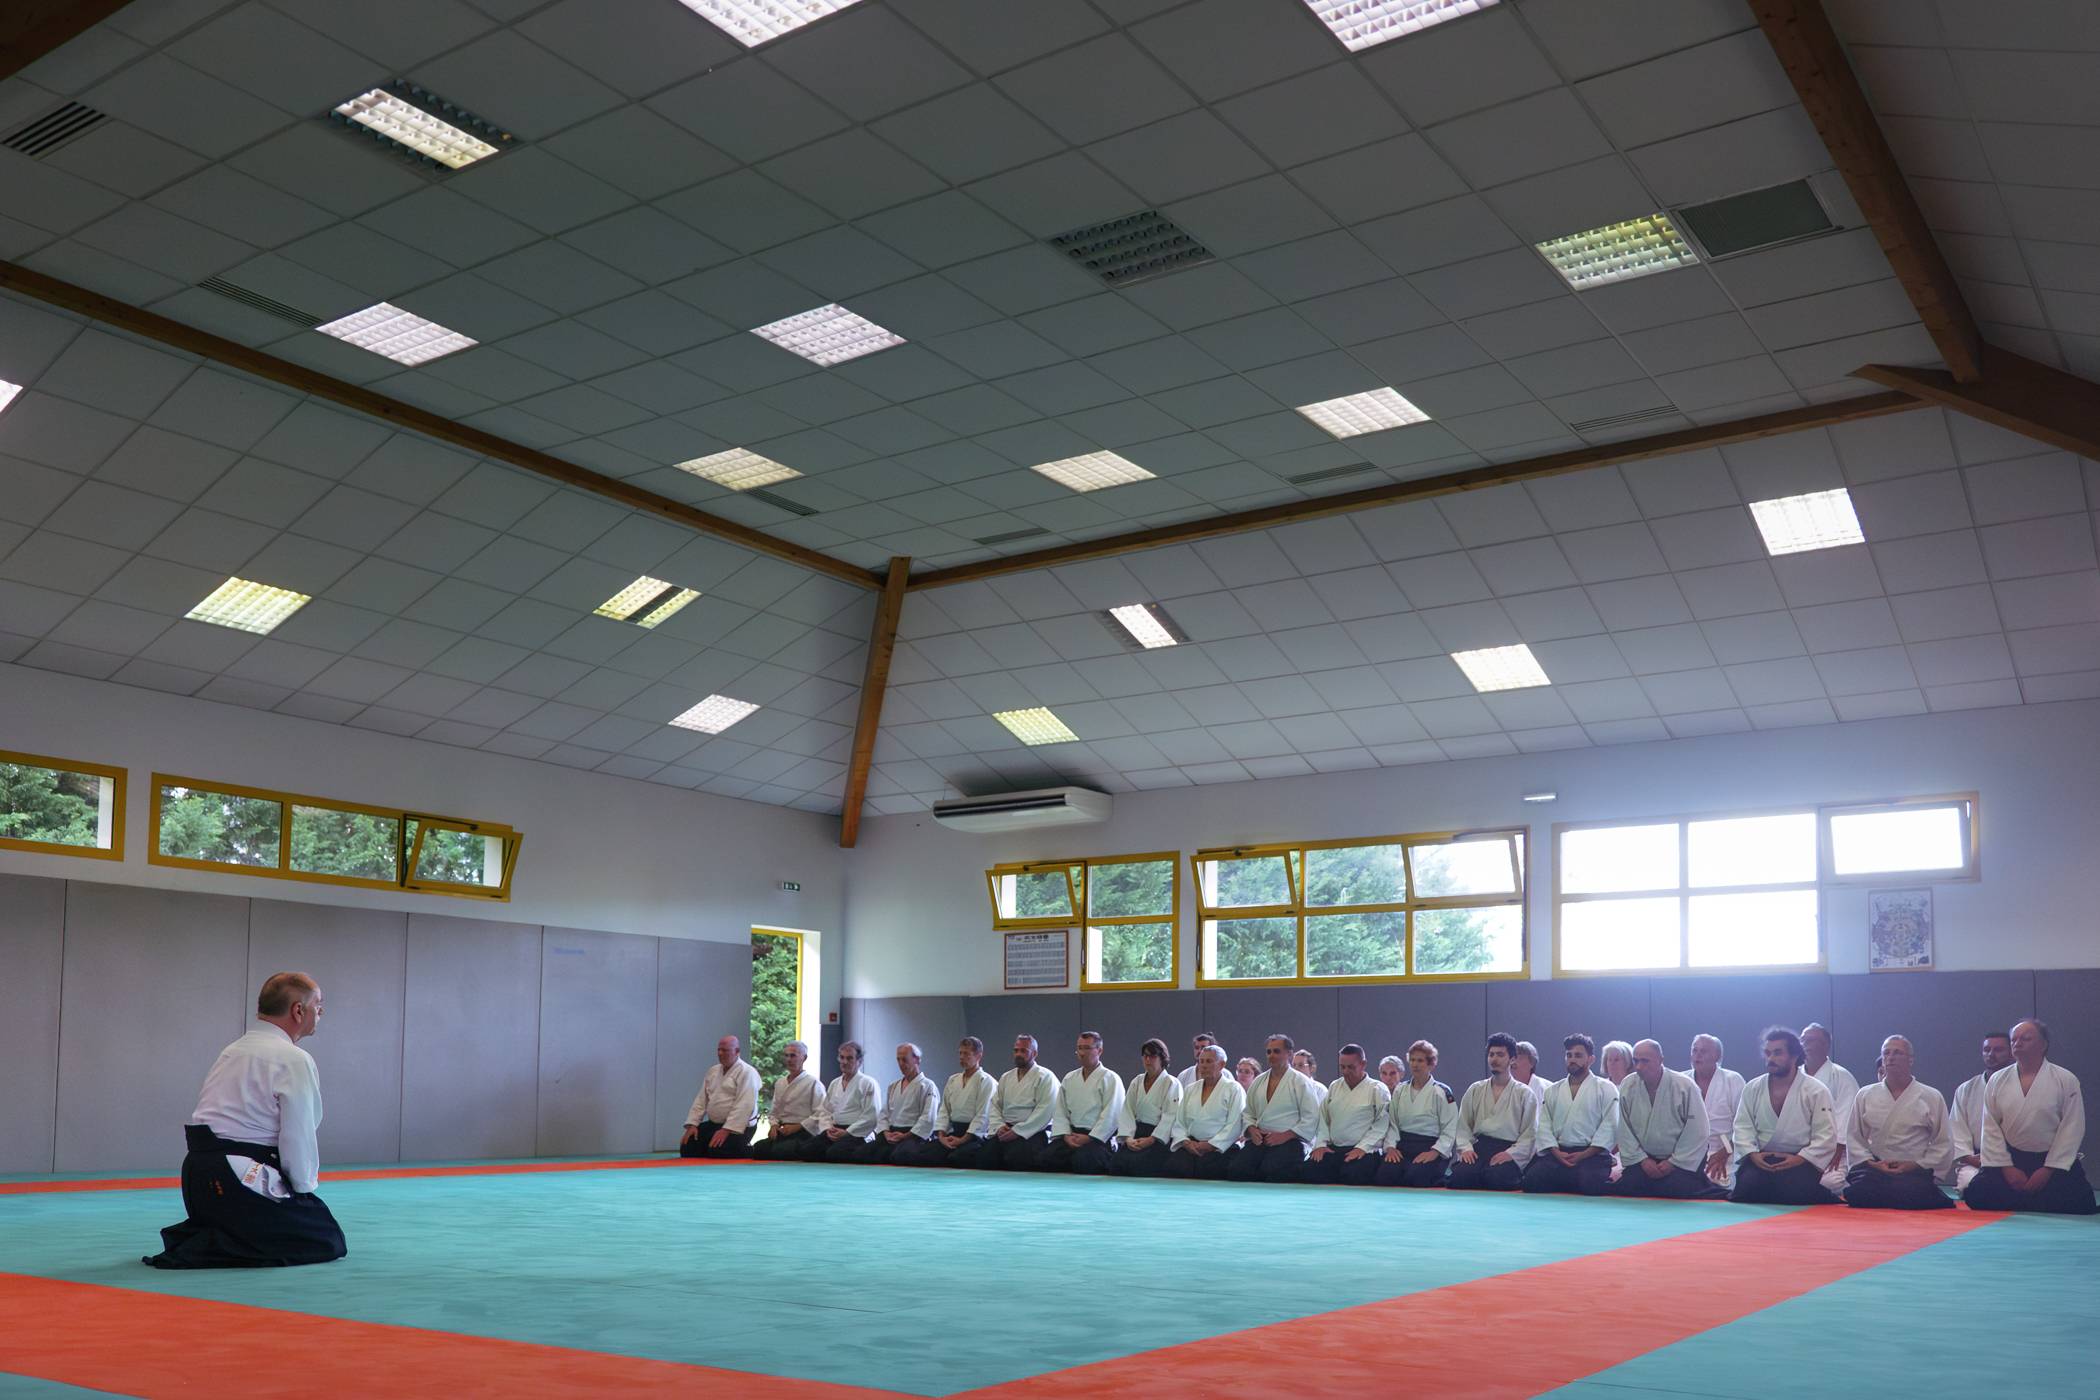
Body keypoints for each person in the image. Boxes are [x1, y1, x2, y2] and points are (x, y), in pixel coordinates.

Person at [144, 973, 347, 1269]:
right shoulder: (293, 1059)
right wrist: (303, 1191)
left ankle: (209, 1235)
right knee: (325, 1238)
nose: (321, 1011)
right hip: (238, 1174)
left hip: (198, 1176)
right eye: (318, 1004)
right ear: (298, 1010)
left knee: (262, 1226)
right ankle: (204, 1246)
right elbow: (297, 1134)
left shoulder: (233, 1050)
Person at [1962, 1020, 2097, 1215]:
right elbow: (1991, 1127)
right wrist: (2007, 1168)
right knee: (1976, 1194)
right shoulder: (1998, 1080)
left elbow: (2072, 1127)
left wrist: (2048, 1169)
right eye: (2014, 1040)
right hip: (2010, 1158)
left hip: (2050, 1159)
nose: (2018, 1043)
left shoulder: (2065, 1079)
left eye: (2025, 1039)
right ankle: (2035, 1200)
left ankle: (2027, 1199)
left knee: (2081, 1201)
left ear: (2043, 1044)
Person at [1840, 1035, 1952, 1210]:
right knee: (1857, 1192)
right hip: (1876, 1168)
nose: (1890, 1057)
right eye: (1886, 1053)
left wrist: (1916, 1165)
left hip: (1913, 1169)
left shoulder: (1931, 1096)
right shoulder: (1865, 1094)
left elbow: (1943, 1141)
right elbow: (1855, 1137)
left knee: (1911, 1189)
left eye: (1897, 1053)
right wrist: (1871, 1163)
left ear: (1911, 1059)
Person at [1730, 1026, 1838, 1205]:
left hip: (1800, 1160)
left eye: (1777, 1053)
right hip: (1762, 1159)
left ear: (1794, 1056)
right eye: (1768, 1053)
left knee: (1793, 1191)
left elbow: (1825, 1134)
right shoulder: (1753, 1088)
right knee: (1746, 1190)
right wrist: (1753, 1154)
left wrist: (1800, 1158)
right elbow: (1742, 1126)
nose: (1771, 1058)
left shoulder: (1816, 1090)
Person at [1612, 1040, 1725, 1199]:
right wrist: (1643, 1160)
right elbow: (1624, 1128)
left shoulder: (1684, 1085)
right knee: (1631, 1185)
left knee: (1675, 1187)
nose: (1639, 1067)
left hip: (1682, 1158)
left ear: (1660, 1060)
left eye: (1645, 1061)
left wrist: (1673, 1162)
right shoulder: (1628, 1084)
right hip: (1644, 1158)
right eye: (1636, 1061)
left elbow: (1697, 1130)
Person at [1523, 1034, 1619, 1196]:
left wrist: (1585, 1154)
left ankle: (1568, 1180)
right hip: (1559, 1153)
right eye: (1569, 1055)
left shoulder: (1606, 1088)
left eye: (1578, 1055)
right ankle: (1568, 1180)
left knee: (1590, 1184)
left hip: (1591, 1154)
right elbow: (1544, 1125)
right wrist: (1556, 1152)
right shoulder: (1553, 1090)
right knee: (1531, 1181)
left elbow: (1610, 1125)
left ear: (1591, 1059)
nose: (1572, 1059)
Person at [1448, 1033, 1537, 1191]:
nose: (1494, 1059)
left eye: (1500, 1055)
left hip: (1508, 1148)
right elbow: (1463, 1126)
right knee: (1460, 1177)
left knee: (1497, 1178)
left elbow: (1529, 1134)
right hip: (1479, 1147)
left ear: (1512, 1059)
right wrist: (1466, 1149)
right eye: (1491, 1054)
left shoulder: (1525, 1093)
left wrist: (1511, 1154)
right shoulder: (1475, 1089)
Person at [957, 1035, 1060, 1171]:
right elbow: (995, 1106)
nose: (1018, 1054)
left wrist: (1018, 1131)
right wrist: (999, 1126)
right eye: (1016, 1050)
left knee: (1016, 1158)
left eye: (1023, 1051)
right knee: (984, 1158)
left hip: (1032, 1132)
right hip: (1006, 1130)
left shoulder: (1046, 1077)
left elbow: (1045, 1110)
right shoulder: (1006, 1077)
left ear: (1034, 1053)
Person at [1230, 1035, 1322, 1184]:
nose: (1271, 1055)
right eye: (1269, 1052)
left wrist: (1287, 1135)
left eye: (1276, 1051)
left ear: (1289, 1054)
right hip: (1261, 1141)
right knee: (1237, 1170)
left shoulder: (1301, 1082)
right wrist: (1251, 1129)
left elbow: (1311, 1117)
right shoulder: (1259, 1081)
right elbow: (1248, 1113)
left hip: (1290, 1142)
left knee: (1271, 1171)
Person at [902, 1037, 997, 1168]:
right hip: (953, 1134)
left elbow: (983, 1115)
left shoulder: (987, 1081)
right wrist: (942, 1136)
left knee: (957, 1158)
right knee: (921, 1154)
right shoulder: (953, 1080)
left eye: (966, 1054)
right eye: (960, 1053)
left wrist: (962, 1140)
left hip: (974, 1137)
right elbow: (944, 1111)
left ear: (978, 1056)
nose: (962, 1057)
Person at [1375, 1039, 1457, 1189]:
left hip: (1430, 1146)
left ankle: (1440, 1176)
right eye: (1412, 1060)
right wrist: (1391, 1148)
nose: (1415, 1064)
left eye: (1420, 1060)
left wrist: (1435, 1152)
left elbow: (1450, 1128)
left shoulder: (1442, 1092)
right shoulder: (1400, 1090)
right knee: (1385, 1175)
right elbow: (1393, 1124)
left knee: (1416, 1177)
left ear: (1431, 1064)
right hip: (1403, 1145)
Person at [1304, 1044, 1388, 1186]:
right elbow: (1323, 1118)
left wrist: (1362, 1147)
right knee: (1309, 1171)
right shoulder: (1335, 1086)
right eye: (1342, 1067)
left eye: (1351, 1067)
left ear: (1363, 1064)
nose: (1346, 1071)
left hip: (1364, 1151)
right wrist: (1321, 1144)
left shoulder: (1377, 1089)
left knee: (1353, 1175)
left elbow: (1382, 1123)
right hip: (1334, 1149)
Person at [1042, 1031, 1124, 1174]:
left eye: (1087, 1048)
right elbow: (1061, 1111)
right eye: (1079, 1048)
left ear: (1099, 1050)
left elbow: (1111, 1114)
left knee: (1084, 1160)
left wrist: (1090, 1138)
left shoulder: (1111, 1079)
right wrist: (1066, 1135)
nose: (1082, 1053)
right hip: (1072, 1135)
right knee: (1047, 1158)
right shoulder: (1069, 1078)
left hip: (1097, 1139)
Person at [1943, 1031, 2014, 1193]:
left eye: (1998, 1050)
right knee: (1969, 1185)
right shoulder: (1966, 1089)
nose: (1991, 1054)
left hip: (2014, 1160)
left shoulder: (2022, 1087)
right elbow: (1957, 1130)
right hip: (1976, 1160)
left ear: (2011, 1053)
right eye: (1987, 1050)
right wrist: (1969, 1157)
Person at [1166, 1045, 1245, 1180]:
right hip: (1191, 1146)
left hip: (1219, 1148)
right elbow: (1180, 1121)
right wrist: (1185, 1142)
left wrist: (1211, 1145)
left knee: (1211, 1171)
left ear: (1221, 1064)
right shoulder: (1191, 1089)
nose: (1203, 1066)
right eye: (1201, 1061)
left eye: (1209, 1061)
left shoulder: (1233, 1089)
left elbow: (1235, 1124)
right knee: (1174, 1168)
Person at [680, 1035, 762, 1159]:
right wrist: (693, 1124)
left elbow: (744, 1105)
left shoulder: (747, 1072)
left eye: (725, 1050)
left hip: (740, 1127)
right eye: (719, 1050)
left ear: (737, 1051)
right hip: (715, 1124)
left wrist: (727, 1129)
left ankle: (749, 1150)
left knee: (718, 1151)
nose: (720, 1053)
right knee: (688, 1148)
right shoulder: (713, 1071)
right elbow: (701, 1100)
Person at [1110, 1038, 1182, 1178]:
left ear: (1162, 1058)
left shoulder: (1172, 1083)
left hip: (1158, 1138)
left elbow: (1171, 1116)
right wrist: (1128, 1138)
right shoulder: (1137, 1081)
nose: (1148, 1060)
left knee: (1141, 1167)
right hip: (1136, 1134)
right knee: (1117, 1165)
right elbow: (1127, 1111)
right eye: (1145, 1056)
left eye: (1153, 1056)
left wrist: (1151, 1139)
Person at [1802, 1022, 1859, 1194]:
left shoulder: (1842, 1076)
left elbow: (1848, 1115)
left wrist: (1838, 1149)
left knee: (1829, 1182)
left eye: (1810, 1040)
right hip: (1800, 1150)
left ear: (1826, 1045)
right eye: (1802, 1040)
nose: (1804, 1044)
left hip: (1834, 1152)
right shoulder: (1794, 1076)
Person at [862, 1043, 940, 1165]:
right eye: (898, 1060)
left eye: (904, 1060)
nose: (901, 1064)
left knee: (901, 1155)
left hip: (913, 1135)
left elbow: (928, 1118)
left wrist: (906, 1136)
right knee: (863, 1152)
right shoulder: (893, 1086)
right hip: (892, 1134)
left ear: (917, 1060)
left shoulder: (928, 1086)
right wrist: (886, 1133)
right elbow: (884, 1114)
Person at [749, 1041, 824, 1161]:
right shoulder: (780, 1083)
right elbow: (775, 1111)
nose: (789, 1059)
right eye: (786, 1055)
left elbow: (820, 1113)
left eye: (793, 1055)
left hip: (803, 1132)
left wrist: (798, 1126)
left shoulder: (813, 1083)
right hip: (783, 1130)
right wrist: (773, 1126)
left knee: (782, 1150)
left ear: (804, 1058)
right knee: (759, 1149)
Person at [810, 1041, 883, 1163]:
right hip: (835, 1130)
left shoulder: (868, 1083)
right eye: (842, 1057)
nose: (844, 1062)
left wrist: (847, 1132)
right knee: (808, 1150)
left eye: (849, 1058)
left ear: (859, 1061)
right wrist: (828, 1128)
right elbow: (825, 1111)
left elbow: (871, 1116)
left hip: (857, 1133)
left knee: (835, 1153)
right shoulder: (835, 1083)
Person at [1689, 1033, 1744, 1188]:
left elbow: (1744, 1126)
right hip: (1688, 1153)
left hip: (1726, 1149)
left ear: (1717, 1056)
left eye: (1703, 1051)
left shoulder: (1733, 1080)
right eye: (1694, 1050)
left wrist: (1725, 1152)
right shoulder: (1681, 1082)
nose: (1697, 1055)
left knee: (1724, 1185)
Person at [1293, 1049, 1327, 1115]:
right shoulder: (1288, 1088)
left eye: (1300, 1065)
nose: (1296, 1069)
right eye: (1294, 1065)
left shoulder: (1320, 1090)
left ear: (1312, 1068)